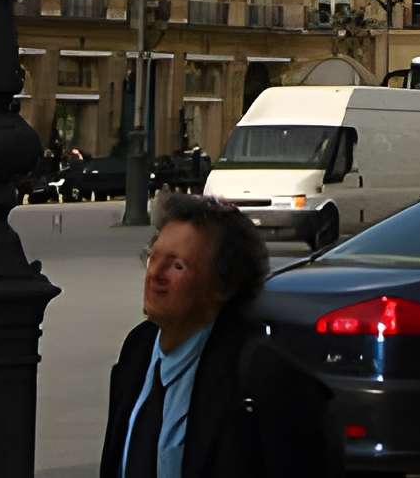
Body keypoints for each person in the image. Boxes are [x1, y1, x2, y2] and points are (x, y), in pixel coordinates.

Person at [100, 193, 333, 478]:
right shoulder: (138, 348)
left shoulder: (264, 377)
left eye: (177, 266)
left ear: (223, 285)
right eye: (153, 257)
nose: (155, 275)